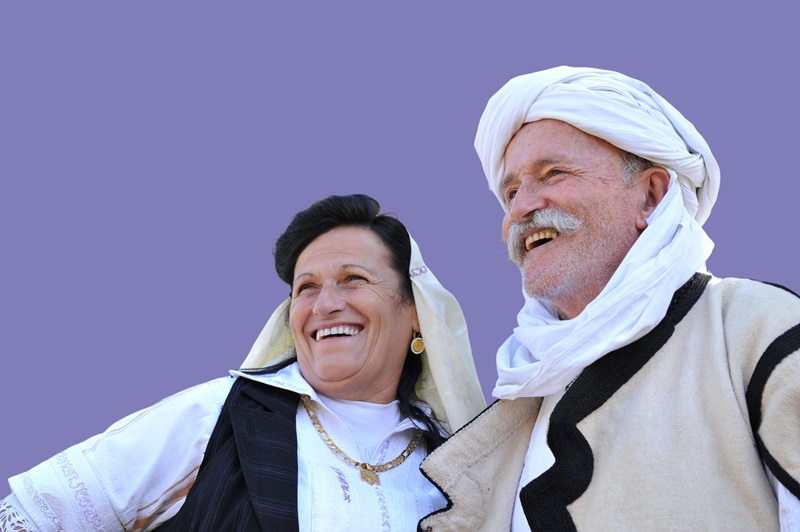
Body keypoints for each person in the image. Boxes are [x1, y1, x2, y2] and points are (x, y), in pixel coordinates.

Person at [417, 66, 800, 531]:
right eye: (512, 190)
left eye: (553, 173)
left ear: (651, 197)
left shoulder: (758, 331)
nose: (519, 208)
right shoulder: (520, 400)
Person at [0, 194, 486, 531]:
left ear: (417, 313)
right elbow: (32, 515)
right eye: (306, 287)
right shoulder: (218, 418)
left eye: (354, 279)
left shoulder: (454, 465)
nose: (324, 304)